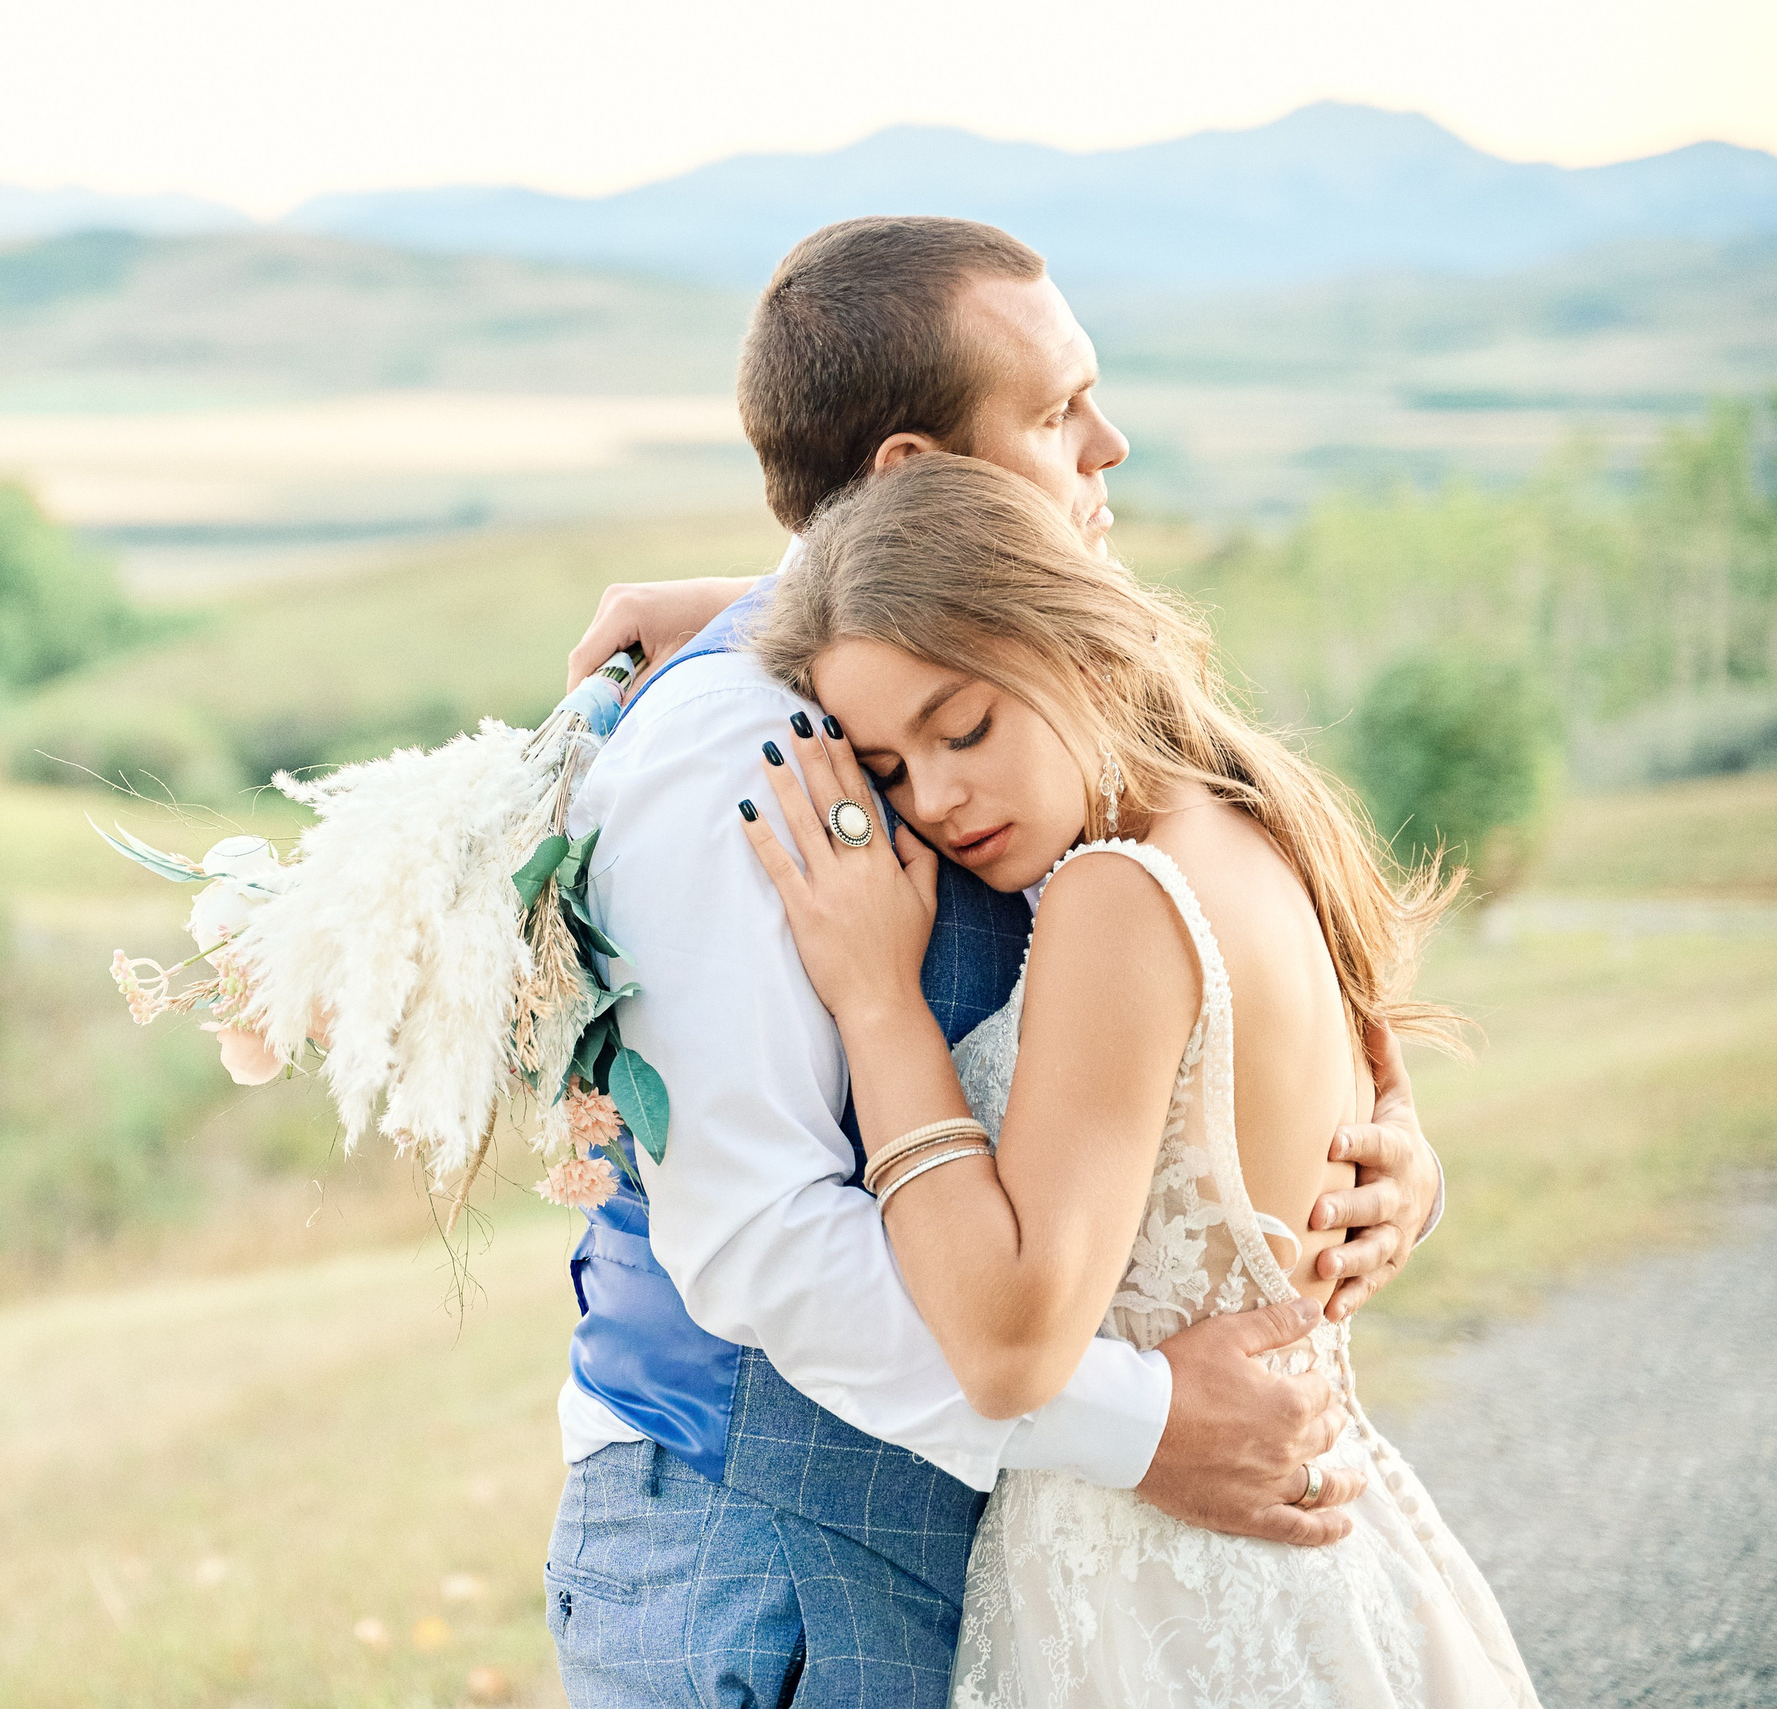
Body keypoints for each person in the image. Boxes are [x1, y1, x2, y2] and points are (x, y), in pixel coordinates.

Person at [543, 216, 1446, 1706]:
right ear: (915, 473)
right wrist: (1145, 1423)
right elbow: (760, 1233)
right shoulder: (732, 759)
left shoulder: (1068, 742)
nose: (1110, 442)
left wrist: (1376, 1160)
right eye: (1055, 409)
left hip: (1037, 1545)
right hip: (779, 1552)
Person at [735, 450, 1536, 1706]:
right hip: (1293, 1570)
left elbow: (1008, 1347)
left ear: (1086, 648)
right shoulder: (1253, 828)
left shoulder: (1118, 895)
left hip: (1168, 1613)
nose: (935, 797)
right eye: (886, 768)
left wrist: (877, 998)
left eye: (964, 726)